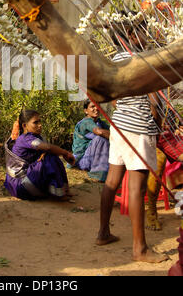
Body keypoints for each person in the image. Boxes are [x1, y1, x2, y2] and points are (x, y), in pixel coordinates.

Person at [96, 20, 169, 263]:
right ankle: (140, 249)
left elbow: (114, 99)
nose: (147, 36)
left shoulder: (115, 59)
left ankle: (103, 233)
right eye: (143, 31)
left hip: (120, 126)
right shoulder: (140, 60)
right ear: (130, 34)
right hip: (138, 128)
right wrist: (155, 125)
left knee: (113, 180)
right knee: (136, 186)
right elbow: (155, 100)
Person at [4, 109, 75, 200]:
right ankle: (59, 194)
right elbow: (48, 148)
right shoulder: (25, 138)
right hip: (20, 185)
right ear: (25, 125)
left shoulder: (35, 137)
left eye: (40, 121)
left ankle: (64, 190)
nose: (40, 125)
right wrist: (65, 153)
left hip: (24, 180)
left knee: (51, 156)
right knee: (50, 157)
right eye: (35, 122)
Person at [70, 99, 110, 182]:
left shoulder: (100, 123)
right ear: (86, 111)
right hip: (82, 160)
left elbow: (112, 131)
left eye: (98, 106)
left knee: (110, 138)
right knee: (101, 138)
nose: (96, 108)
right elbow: (99, 132)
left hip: (92, 158)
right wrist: (117, 136)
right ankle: (98, 173)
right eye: (92, 106)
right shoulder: (85, 122)